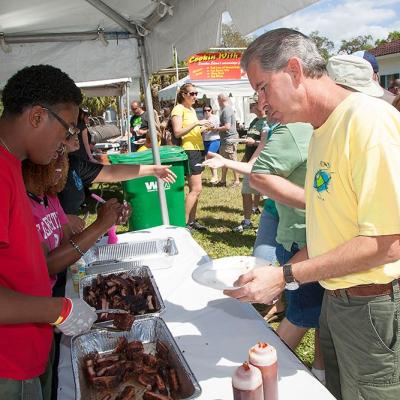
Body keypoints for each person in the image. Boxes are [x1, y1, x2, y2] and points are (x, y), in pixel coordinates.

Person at [225, 28, 400, 400]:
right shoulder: (319, 130)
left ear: (293, 70)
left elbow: (389, 243)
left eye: (262, 88)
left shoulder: (367, 121)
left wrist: (286, 274)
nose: (260, 104)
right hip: (337, 302)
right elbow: (328, 235)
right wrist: (276, 275)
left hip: (372, 305)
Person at [0, 64, 97, 399]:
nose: (67, 142)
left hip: (27, 355)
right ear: (38, 116)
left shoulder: (12, 165)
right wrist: (59, 309)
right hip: (7, 367)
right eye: (67, 129)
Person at [22, 151, 129, 400]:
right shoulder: (20, 202)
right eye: (55, 154)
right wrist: (100, 225)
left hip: (43, 317)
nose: (62, 163)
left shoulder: (48, 197)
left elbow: (65, 242)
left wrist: (111, 218)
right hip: (23, 325)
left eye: (64, 155)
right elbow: (46, 264)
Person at [58, 133, 176, 216]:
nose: (77, 133)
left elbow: (111, 172)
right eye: (72, 128)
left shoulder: (74, 162)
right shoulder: (47, 171)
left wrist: (153, 170)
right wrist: (102, 224)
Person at [171, 83, 211, 231]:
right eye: (192, 93)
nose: (195, 96)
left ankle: (191, 222)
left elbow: (194, 131)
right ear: (184, 95)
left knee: (197, 189)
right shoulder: (178, 109)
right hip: (189, 150)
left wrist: (203, 128)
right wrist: (196, 124)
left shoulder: (191, 109)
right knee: (196, 188)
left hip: (198, 149)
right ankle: (184, 223)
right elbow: (177, 132)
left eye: (196, 93)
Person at [233, 99, 266, 232]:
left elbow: (269, 143)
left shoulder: (269, 121)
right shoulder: (254, 121)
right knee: (246, 192)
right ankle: (247, 221)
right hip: (250, 163)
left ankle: (265, 226)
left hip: (263, 163)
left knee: (268, 195)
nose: (251, 106)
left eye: (254, 103)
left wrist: (254, 142)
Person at [214, 93, 240, 187]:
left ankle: (237, 181)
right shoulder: (225, 109)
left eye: (217, 99)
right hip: (226, 139)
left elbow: (227, 127)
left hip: (230, 139)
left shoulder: (226, 110)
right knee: (224, 160)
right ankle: (223, 181)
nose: (217, 101)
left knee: (232, 160)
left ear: (221, 99)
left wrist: (215, 129)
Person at [202, 105, 221, 184]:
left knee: (210, 156)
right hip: (205, 141)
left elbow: (217, 128)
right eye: (205, 110)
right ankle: (214, 176)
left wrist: (210, 127)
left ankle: (215, 176)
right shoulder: (202, 120)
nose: (207, 112)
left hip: (214, 140)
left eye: (208, 110)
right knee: (209, 158)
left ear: (211, 110)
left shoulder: (215, 118)